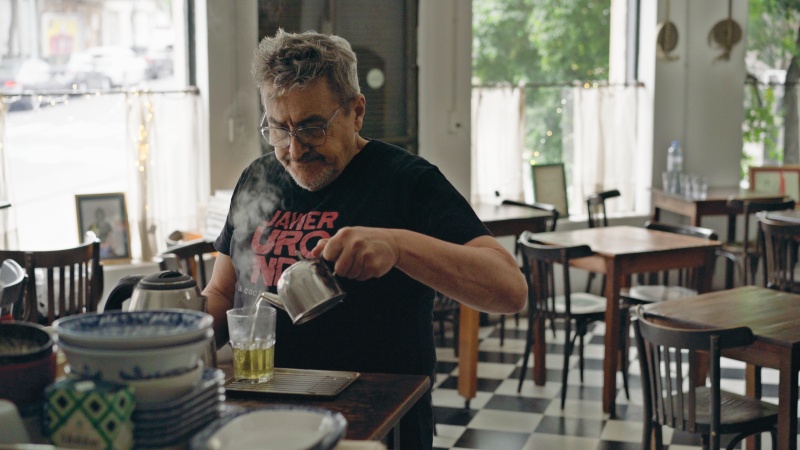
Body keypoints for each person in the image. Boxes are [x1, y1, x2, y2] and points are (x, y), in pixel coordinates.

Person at [204, 29, 527, 449]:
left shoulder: (407, 181)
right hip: (263, 420)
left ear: (356, 112)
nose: (295, 151)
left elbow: (510, 290)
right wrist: (168, 330)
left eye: (312, 127)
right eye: (280, 129)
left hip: (377, 422)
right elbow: (221, 293)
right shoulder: (256, 178)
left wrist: (398, 246)